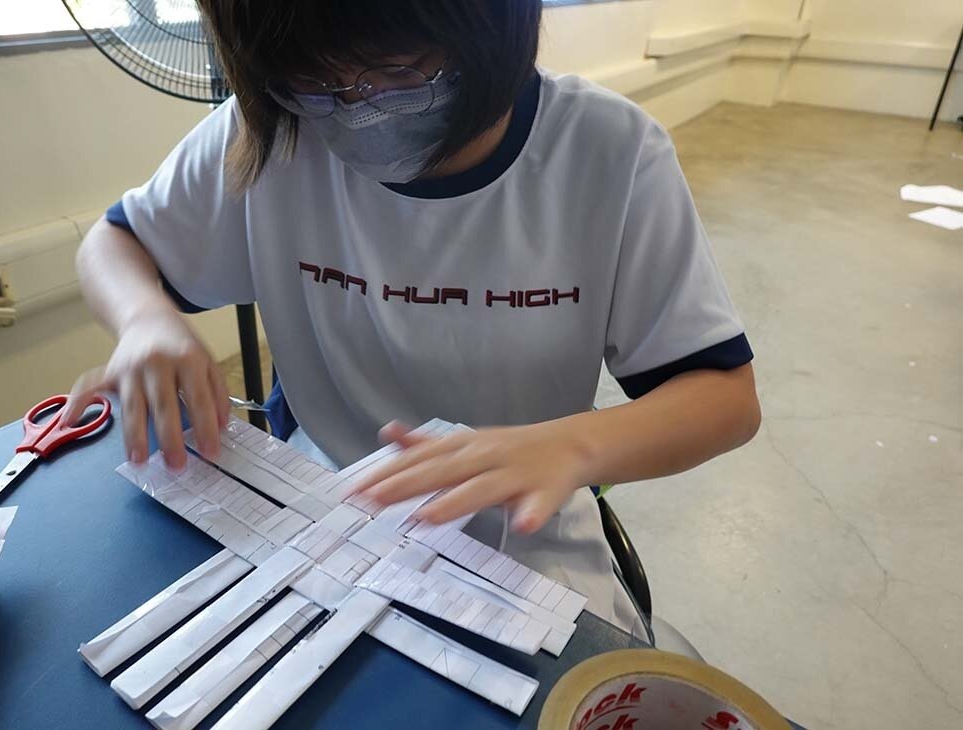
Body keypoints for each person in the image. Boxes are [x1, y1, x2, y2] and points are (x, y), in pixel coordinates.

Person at [63, 0, 760, 628]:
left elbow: (724, 398)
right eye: (318, 82)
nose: (355, 106)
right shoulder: (274, 133)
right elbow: (113, 242)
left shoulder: (609, 153)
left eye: (397, 71)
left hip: (524, 538)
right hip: (322, 511)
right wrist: (146, 321)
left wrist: (571, 446)